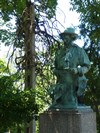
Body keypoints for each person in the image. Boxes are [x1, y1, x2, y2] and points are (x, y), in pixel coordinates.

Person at [49, 27, 91, 109]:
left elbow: (87, 66)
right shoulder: (60, 52)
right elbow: (55, 66)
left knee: (73, 89)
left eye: (66, 36)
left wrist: (78, 70)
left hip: (74, 78)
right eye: (63, 37)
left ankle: (76, 101)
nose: (64, 38)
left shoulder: (79, 51)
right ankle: (60, 102)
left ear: (72, 37)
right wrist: (55, 70)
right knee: (55, 92)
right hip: (61, 79)